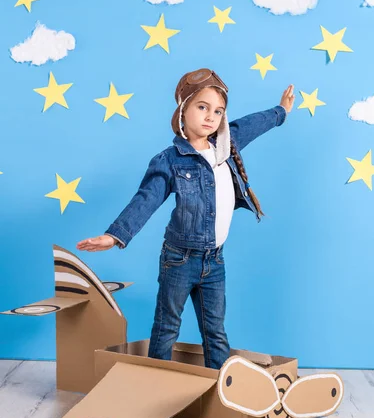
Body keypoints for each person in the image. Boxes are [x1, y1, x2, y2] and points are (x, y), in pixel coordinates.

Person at [77, 69, 295, 369]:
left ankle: (220, 392)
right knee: (167, 327)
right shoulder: (170, 160)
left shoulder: (226, 145)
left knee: (215, 332)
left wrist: (281, 111)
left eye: (218, 111)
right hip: (179, 260)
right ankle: (155, 386)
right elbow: (147, 199)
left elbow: (254, 123)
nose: (210, 117)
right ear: (183, 108)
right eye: (202, 107)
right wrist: (114, 236)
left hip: (214, 261)